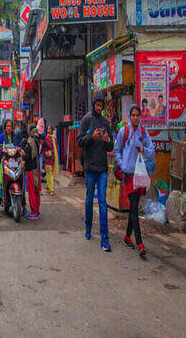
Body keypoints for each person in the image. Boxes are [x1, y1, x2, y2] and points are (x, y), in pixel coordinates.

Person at [114, 105, 155, 257]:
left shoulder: (143, 132)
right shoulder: (124, 131)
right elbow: (117, 150)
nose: (135, 118)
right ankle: (140, 243)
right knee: (134, 207)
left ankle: (127, 236)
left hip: (139, 175)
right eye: (133, 115)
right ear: (130, 116)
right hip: (128, 175)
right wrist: (122, 164)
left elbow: (152, 151)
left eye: (138, 115)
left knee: (133, 207)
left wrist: (144, 150)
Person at [77, 90, 114, 252]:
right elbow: (79, 141)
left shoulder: (105, 122)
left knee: (103, 202)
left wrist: (106, 140)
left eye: (101, 105)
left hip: (102, 168)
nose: (99, 108)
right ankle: (88, 227)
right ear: (94, 105)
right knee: (89, 199)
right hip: (90, 167)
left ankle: (104, 237)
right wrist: (91, 137)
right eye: (97, 105)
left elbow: (110, 146)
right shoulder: (86, 120)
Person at [0, 119, 18, 218]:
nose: (9, 128)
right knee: (1, 184)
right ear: (5, 127)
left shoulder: (15, 137)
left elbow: (18, 147)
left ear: (12, 127)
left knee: (19, 180)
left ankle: (23, 207)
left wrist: (20, 150)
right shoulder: (2, 137)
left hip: (14, 162)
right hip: (4, 163)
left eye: (10, 126)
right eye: (7, 126)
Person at [23, 124, 41, 220]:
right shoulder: (37, 141)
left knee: (32, 192)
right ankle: (37, 211)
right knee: (36, 191)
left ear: (30, 131)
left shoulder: (29, 142)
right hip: (36, 170)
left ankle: (34, 212)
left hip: (31, 171)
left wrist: (22, 154)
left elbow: (26, 157)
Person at [44, 125, 59, 196]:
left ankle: (47, 186)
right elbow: (43, 149)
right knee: (49, 174)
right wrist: (46, 153)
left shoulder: (54, 139)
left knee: (50, 173)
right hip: (48, 159)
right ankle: (51, 189)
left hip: (53, 158)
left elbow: (57, 148)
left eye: (50, 129)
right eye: (48, 129)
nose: (49, 130)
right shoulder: (45, 139)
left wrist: (55, 153)